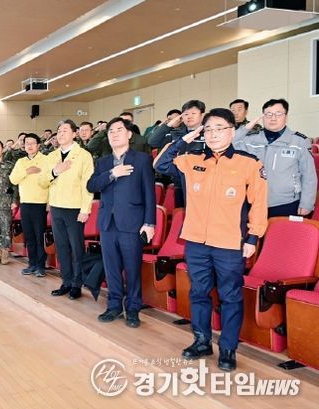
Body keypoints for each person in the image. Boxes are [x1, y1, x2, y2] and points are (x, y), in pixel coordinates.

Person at [155, 108, 268, 371]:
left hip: (230, 243)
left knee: (230, 296)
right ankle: (202, 341)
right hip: (196, 242)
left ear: (232, 131)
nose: (214, 134)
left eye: (220, 128)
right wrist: (183, 139)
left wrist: (252, 238)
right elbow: (159, 165)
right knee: (198, 292)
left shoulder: (249, 163)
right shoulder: (192, 159)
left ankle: (228, 348)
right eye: (208, 129)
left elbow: (259, 204)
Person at [87, 118, 156, 328]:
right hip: (108, 223)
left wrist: (149, 223)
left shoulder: (142, 159)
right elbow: (91, 185)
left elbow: (149, 193)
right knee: (111, 268)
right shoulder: (103, 162)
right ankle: (114, 305)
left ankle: (133, 308)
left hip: (132, 223)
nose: (114, 134)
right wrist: (112, 174)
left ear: (129, 134)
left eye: (119, 130)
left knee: (132, 268)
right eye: (111, 131)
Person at [39, 119, 94, 300]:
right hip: (56, 207)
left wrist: (85, 209)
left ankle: (77, 283)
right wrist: (55, 171)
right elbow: (42, 181)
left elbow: (87, 185)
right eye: (59, 131)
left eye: (65, 130)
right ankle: (66, 281)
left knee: (76, 248)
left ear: (74, 133)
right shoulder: (51, 156)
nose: (61, 134)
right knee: (62, 247)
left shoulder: (84, 155)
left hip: (75, 208)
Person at [234, 98, 316, 217]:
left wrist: (307, 203)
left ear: (286, 117)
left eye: (278, 114)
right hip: (254, 202)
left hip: (287, 203)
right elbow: (228, 144)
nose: (273, 118)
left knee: (282, 230)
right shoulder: (250, 139)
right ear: (263, 117)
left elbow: (309, 175)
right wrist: (245, 129)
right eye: (268, 114)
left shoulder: (299, 142)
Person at [149, 100, 207, 208]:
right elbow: (153, 141)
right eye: (186, 114)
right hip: (179, 182)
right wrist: (169, 125)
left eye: (193, 113)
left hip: (202, 183)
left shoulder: (209, 134)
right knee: (181, 213)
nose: (189, 116)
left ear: (202, 115)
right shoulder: (176, 134)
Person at [10, 133, 49, 277]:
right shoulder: (21, 162)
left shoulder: (46, 160)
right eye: (27, 143)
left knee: (39, 236)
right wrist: (27, 171)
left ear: (38, 145)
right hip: (25, 203)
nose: (30, 146)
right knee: (29, 236)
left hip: (40, 203)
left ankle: (41, 266)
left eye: (33, 143)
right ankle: (32, 264)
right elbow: (13, 179)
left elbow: (51, 181)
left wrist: (49, 203)